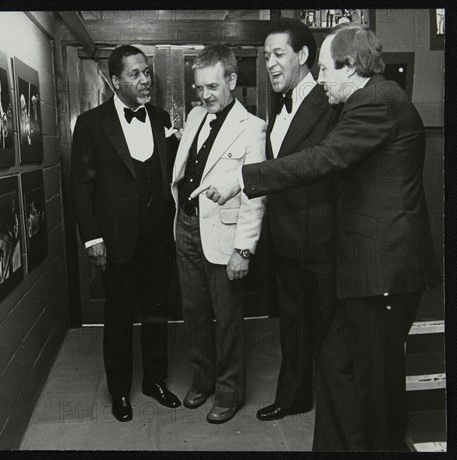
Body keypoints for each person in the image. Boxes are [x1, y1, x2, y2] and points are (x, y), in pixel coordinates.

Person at [194, 24, 441, 450]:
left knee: (376, 387)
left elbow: (325, 158)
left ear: (350, 66)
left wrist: (242, 178)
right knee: (335, 366)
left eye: (326, 70)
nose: (321, 79)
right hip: (368, 271)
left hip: (384, 271)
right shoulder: (371, 101)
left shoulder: (376, 101)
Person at [71, 45, 181, 422]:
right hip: (116, 240)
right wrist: (92, 238)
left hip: (159, 239)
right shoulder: (90, 124)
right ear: (115, 82)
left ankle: (155, 380)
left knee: (156, 312)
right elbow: (82, 189)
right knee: (118, 317)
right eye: (135, 74)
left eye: (147, 72)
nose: (145, 79)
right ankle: (120, 391)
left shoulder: (163, 118)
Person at [172, 45, 266, 424]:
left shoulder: (252, 127)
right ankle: (202, 380)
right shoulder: (195, 116)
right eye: (199, 88)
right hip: (186, 229)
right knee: (194, 313)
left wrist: (244, 249)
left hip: (225, 237)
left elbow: (256, 193)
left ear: (231, 80)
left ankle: (228, 392)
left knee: (227, 319)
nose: (205, 95)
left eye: (212, 86)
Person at [255, 18, 339, 423]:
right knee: (292, 325)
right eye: (266, 55)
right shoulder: (279, 105)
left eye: (278, 54)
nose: (269, 63)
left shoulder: (330, 102)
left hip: (321, 240)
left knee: (328, 331)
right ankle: (294, 397)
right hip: (285, 239)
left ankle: (336, 412)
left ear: (303, 56)